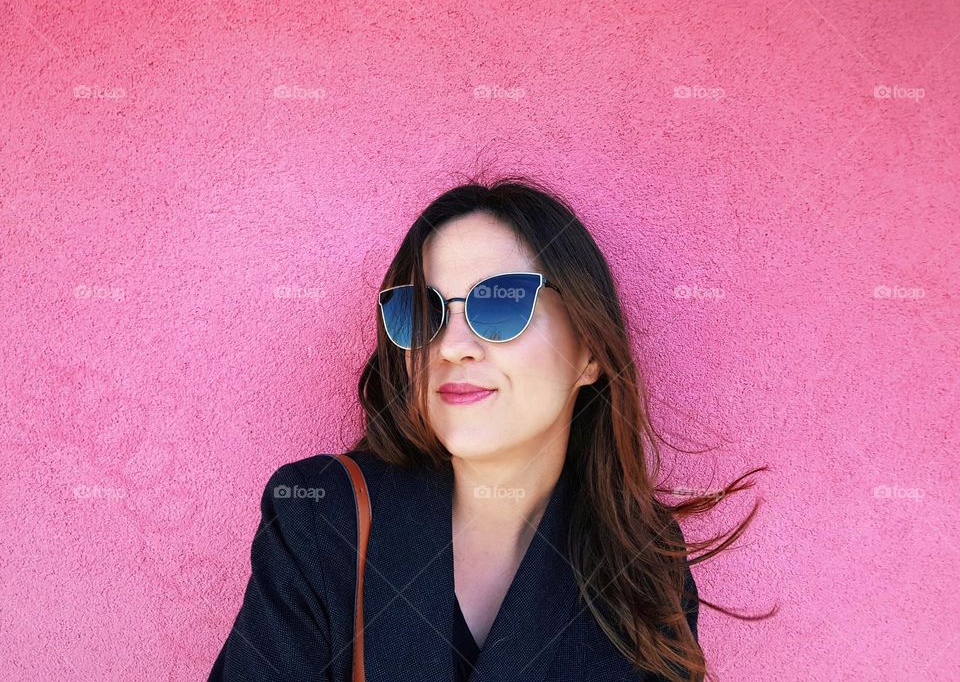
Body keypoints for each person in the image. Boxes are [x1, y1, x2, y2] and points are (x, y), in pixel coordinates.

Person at [208, 176, 763, 681]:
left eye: (500, 306)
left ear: (589, 350)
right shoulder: (322, 518)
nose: (450, 347)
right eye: (423, 312)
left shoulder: (644, 562)